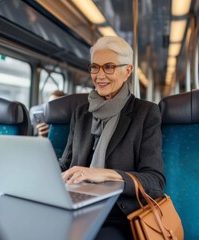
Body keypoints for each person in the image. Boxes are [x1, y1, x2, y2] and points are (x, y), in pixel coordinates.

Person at [60, 36, 165, 239]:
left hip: (117, 213)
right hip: (74, 203)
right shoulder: (81, 113)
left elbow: (155, 182)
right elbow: (65, 164)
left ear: (127, 71)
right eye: (95, 67)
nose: (100, 75)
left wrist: (106, 174)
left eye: (109, 67)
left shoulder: (145, 113)